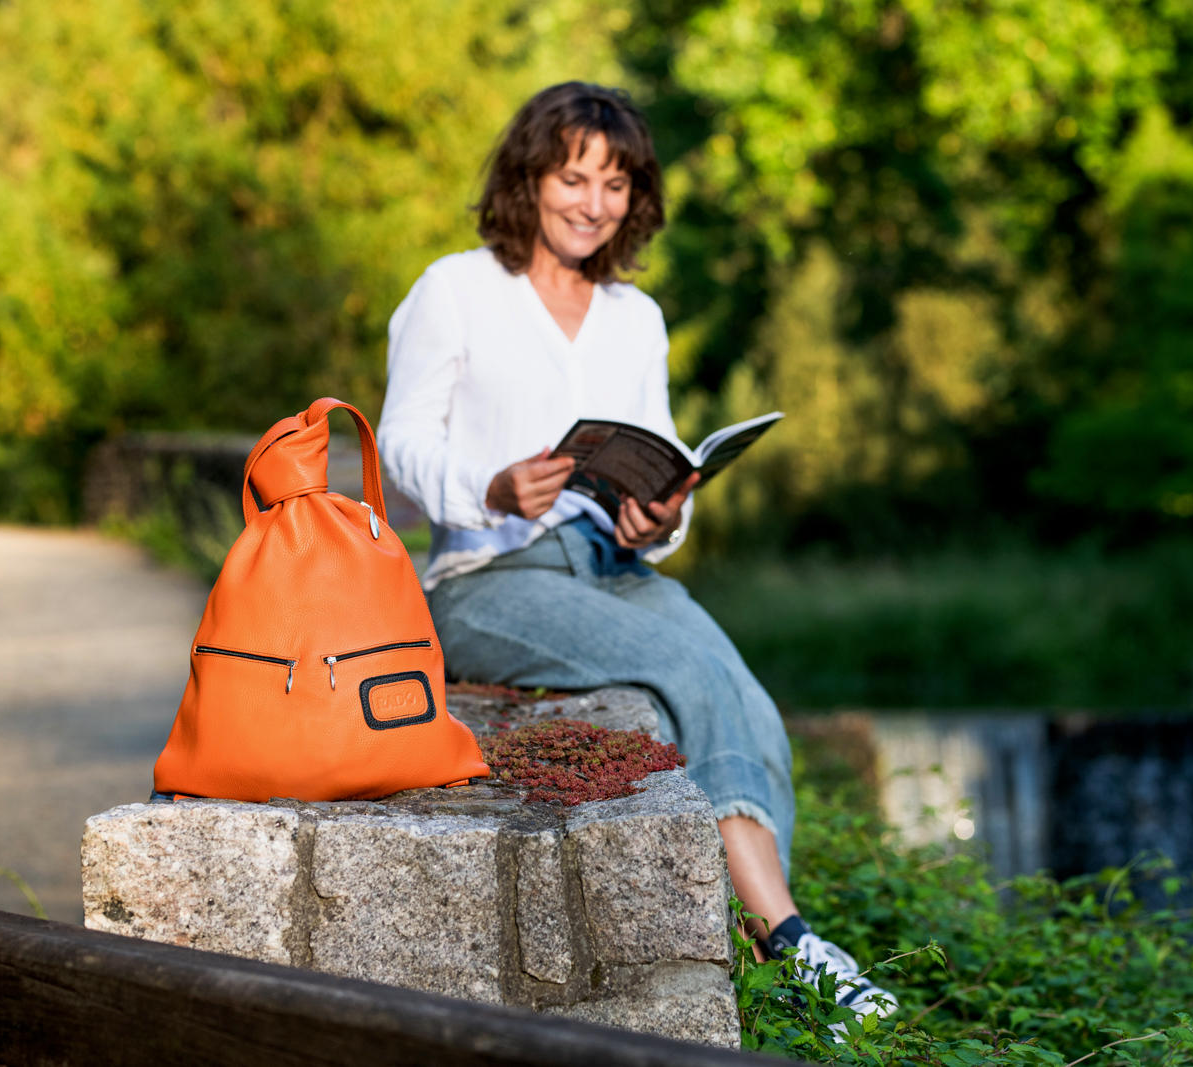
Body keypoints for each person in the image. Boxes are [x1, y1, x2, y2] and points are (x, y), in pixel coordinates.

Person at [377, 82, 893, 1018]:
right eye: (573, 177)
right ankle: (790, 937)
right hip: (490, 574)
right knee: (682, 666)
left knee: (743, 691)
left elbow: (656, 457)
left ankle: (753, 934)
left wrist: (658, 516)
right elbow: (399, 449)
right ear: (529, 179)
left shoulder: (635, 317)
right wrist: (490, 485)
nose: (591, 203)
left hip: (614, 565)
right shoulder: (455, 289)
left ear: (636, 198)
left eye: (614, 185)